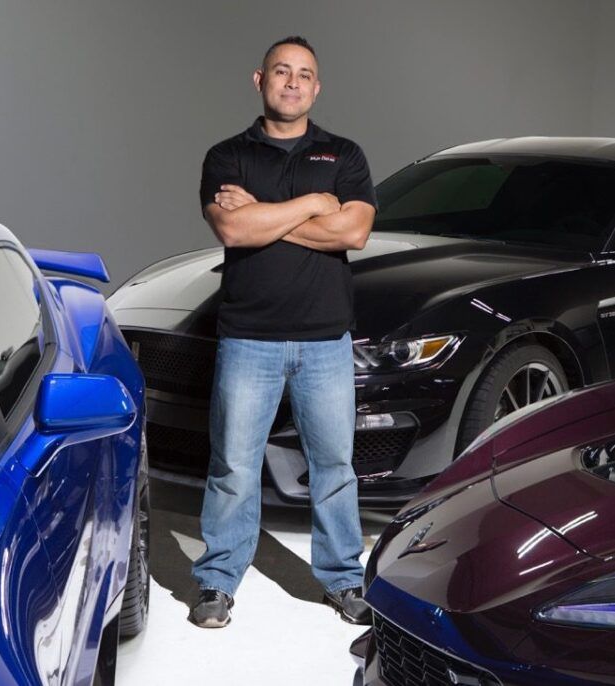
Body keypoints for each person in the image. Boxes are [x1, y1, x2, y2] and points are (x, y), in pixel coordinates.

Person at [189, 35, 377, 628]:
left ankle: (344, 579)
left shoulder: (344, 154)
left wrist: (268, 211)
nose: (292, 83)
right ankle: (218, 582)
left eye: (304, 75)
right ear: (260, 80)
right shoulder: (227, 156)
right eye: (281, 72)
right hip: (249, 339)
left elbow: (352, 234)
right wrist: (315, 203)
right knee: (234, 468)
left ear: (316, 88)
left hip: (326, 341)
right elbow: (234, 233)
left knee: (334, 467)